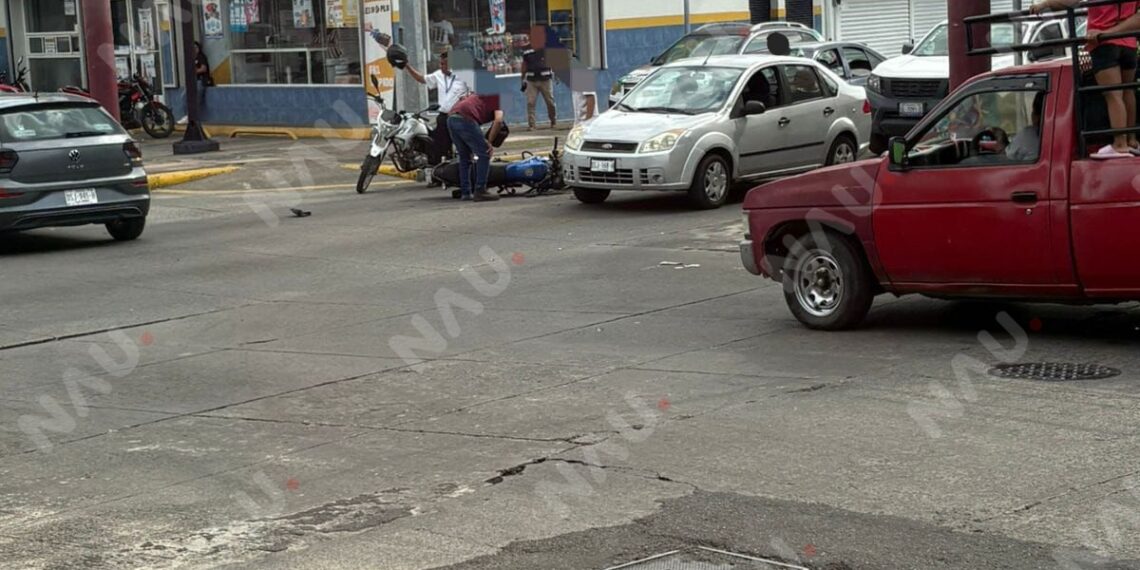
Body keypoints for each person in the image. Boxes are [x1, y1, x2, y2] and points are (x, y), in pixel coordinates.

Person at [1033, 0, 1137, 158]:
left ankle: (1119, 144)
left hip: (1102, 41)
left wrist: (1044, 4)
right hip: (1129, 42)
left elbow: (1070, 1)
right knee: (1128, 91)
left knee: (1113, 94)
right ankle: (1132, 140)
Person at [402, 51, 470, 167]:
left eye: (444, 64)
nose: (441, 67)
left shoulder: (464, 75)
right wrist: (407, 66)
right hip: (444, 117)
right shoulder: (438, 75)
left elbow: (473, 93)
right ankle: (438, 173)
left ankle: (467, 168)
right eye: (440, 64)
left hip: (460, 117)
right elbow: (421, 79)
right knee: (437, 146)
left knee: (464, 146)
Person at [447, 93, 504, 202]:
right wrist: (489, 142)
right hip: (466, 118)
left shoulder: (481, 95)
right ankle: (480, 190)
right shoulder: (498, 99)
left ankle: (466, 192)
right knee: (484, 154)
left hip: (451, 118)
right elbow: (498, 120)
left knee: (465, 157)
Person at [521, 26, 557, 130]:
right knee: (530, 102)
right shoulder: (526, 50)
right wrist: (522, 79)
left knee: (550, 102)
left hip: (546, 79)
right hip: (531, 80)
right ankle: (532, 125)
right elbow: (524, 66)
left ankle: (553, 121)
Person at [1007, 93, 1046, 162]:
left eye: (1033, 112)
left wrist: (1001, 145)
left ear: (1036, 116)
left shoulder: (1028, 135)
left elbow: (1009, 156)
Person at [429, 7, 456, 71]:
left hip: (444, 49)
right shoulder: (428, 24)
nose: (438, 14)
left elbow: (452, 40)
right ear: (432, 14)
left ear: (443, 14)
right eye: (436, 12)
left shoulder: (447, 24)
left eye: (440, 12)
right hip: (432, 51)